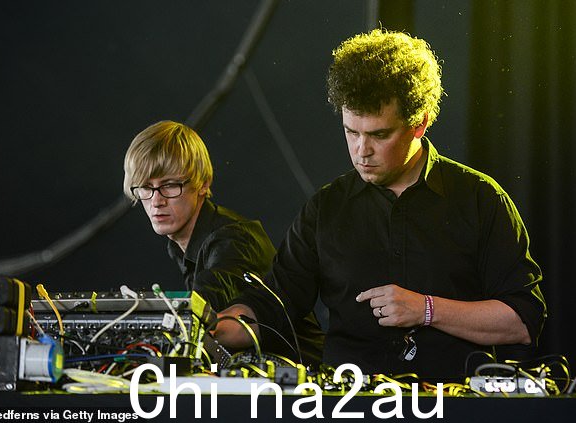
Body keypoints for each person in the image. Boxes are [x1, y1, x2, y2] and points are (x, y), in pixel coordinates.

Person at [215, 30, 546, 380]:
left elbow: (522, 320)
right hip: (348, 405)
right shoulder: (325, 209)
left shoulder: (480, 198)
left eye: (379, 135)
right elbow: (272, 303)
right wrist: (208, 330)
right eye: (351, 132)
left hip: (452, 404)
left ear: (420, 124)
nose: (361, 150)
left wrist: (426, 309)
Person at [123, 120, 324, 365]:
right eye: (146, 188)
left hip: (301, 386)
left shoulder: (232, 238)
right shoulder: (181, 245)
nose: (156, 201)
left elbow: (198, 322)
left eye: (169, 185)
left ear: (203, 183)